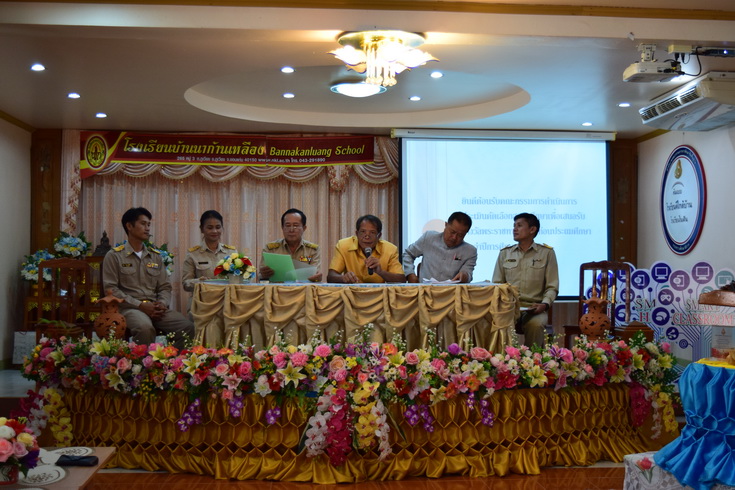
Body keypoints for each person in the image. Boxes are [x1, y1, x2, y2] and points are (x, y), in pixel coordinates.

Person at [103, 207, 195, 350]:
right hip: (130, 308)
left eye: (149, 224)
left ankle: (170, 360)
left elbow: (165, 286)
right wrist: (140, 305)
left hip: (155, 307)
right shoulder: (114, 256)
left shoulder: (155, 256)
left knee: (187, 327)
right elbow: (111, 290)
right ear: (129, 226)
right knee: (144, 328)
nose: (147, 228)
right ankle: (141, 363)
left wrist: (162, 303)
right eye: (143, 224)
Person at [492, 212, 559, 347]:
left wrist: (544, 304)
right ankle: (504, 358)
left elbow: (552, 286)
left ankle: (533, 358)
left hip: (534, 308)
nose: (514, 229)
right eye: (514, 226)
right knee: (497, 322)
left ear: (532, 229)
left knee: (536, 324)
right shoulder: (505, 253)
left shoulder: (547, 253)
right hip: (510, 307)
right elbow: (497, 285)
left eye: (519, 225)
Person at [327, 215, 405, 284]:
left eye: (372, 232)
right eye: (363, 232)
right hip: (351, 293)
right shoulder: (343, 246)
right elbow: (330, 276)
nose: (367, 236)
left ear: (379, 236)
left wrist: (381, 272)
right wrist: (343, 278)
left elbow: (401, 279)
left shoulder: (390, 249)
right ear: (357, 234)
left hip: (379, 294)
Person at [403, 211, 477, 283]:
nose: (454, 237)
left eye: (460, 235)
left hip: (452, 290)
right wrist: (410, 273)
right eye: (452, 232)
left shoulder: (470, 251)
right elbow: (408, 254)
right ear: (446, 225)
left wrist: (465, 276)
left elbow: (468, 273)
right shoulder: (428, 238)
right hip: (425, 290)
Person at [259, 208, 322, 282]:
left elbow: (315, 274)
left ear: (304, 228)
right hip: (277, 288)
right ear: (282, 228)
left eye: (296, 225)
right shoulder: (270, 249)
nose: (291, 230)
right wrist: (264, 275)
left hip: (303, 288)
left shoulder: (312, 250)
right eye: (288, 225)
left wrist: (316, 277)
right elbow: (260, 276)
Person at [182, 210, 236, 292]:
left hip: (226, 298)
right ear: (202, 229)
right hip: (202, 298)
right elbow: (186, 283)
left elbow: (239, 280)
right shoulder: (193, 254)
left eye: (218, 227)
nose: (214, 231)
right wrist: (199, 282)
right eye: (210, 228)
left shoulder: (232, 253)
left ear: (222, 228)